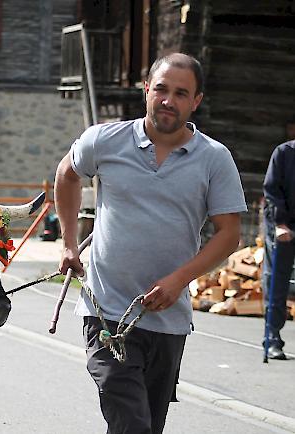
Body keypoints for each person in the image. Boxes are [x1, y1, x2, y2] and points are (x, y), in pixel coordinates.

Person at [54, 53, 247, 433]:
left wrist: (179, 280)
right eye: (160, 89)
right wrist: (68, 244)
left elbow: (229, 232)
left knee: (148, 425)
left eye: (180, 93)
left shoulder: (214, 158)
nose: (168, 100)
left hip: (168, 322)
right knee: (132, 424)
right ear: (146, 90)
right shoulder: (103, 140)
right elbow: (67, 174)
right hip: (106, 312)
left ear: (196, 101)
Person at [261, 128, 295, 360]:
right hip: (283, 224)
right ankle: (272, 337)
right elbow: (272, 191)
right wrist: (280, 224)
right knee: (278, 279)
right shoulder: (284, 153)